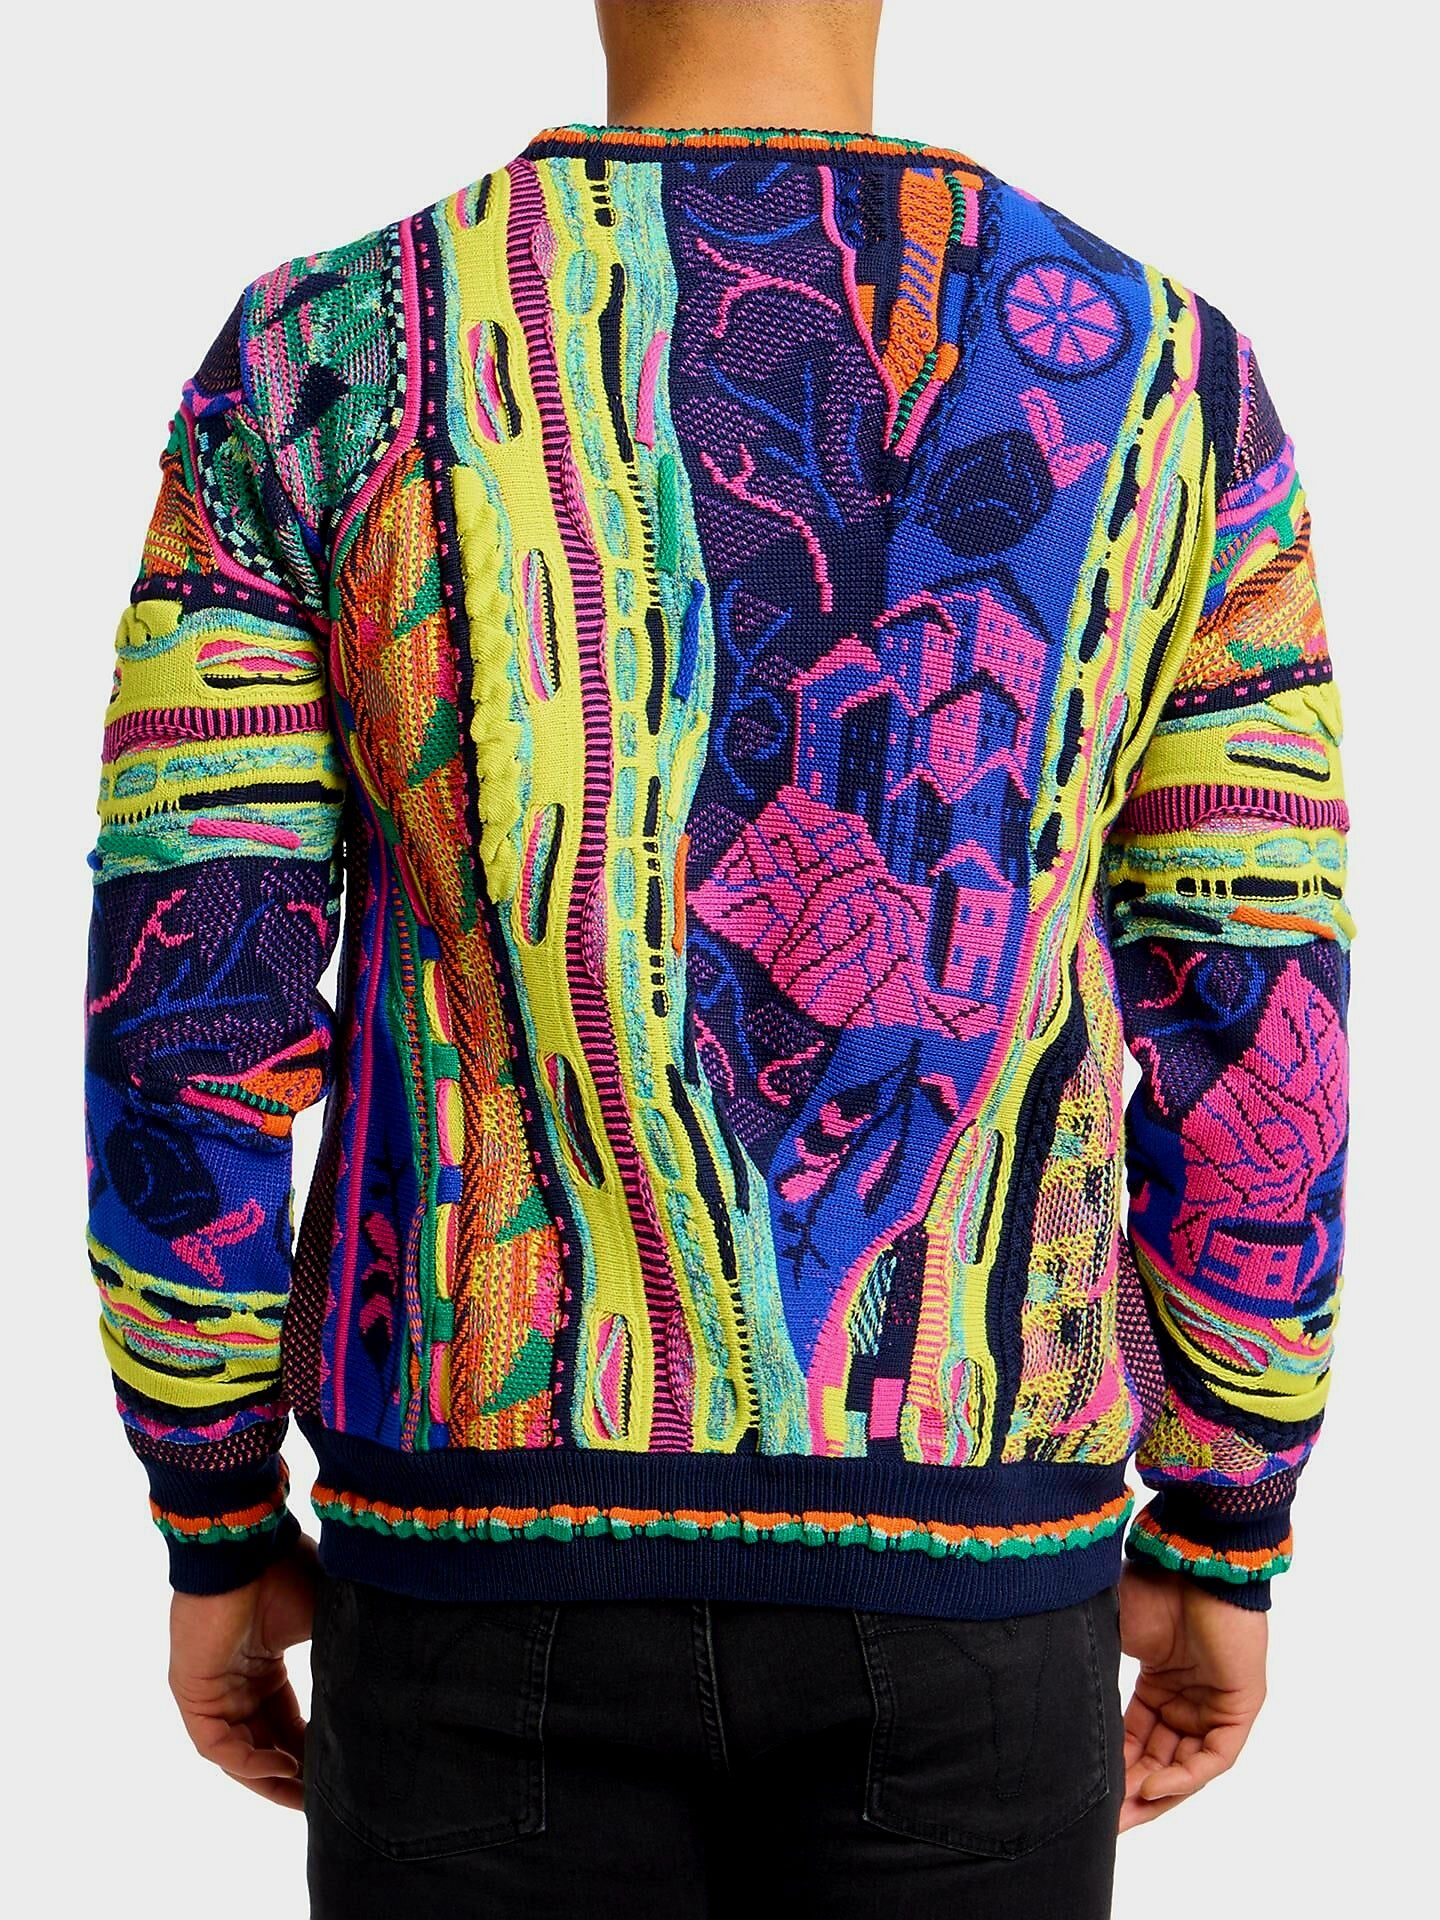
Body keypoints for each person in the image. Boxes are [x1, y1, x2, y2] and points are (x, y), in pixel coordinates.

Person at [81, 3, 1354, 1914]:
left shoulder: (317, 357)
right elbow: (1255, 998)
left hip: (468, 1564)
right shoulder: (1171, 383)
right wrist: (1227, 1514)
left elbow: (194, 993)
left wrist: (210, 1504)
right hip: (977, 1566)